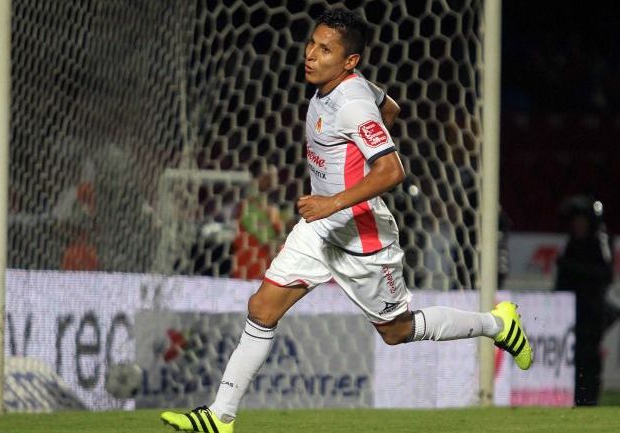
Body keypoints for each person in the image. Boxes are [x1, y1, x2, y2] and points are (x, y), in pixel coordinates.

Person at [161, 9, 532, 432]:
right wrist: (332, 198)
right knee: (262, 306)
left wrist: (334, 200)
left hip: (361, 236)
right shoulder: (345, 91)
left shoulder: (352, 104)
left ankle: (499, 324)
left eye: (326, 50)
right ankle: (219, 417)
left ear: (350, 61)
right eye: (312, 44)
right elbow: (389, 106)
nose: (311, 55)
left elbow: (392, 171)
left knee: (397, 331)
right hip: (321, 228)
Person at [554, 195, 614, 406]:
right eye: (575, 220)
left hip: (592, 312)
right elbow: (560, 283)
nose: (578, 225)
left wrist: (570, 266)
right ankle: (576, 398)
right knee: (575, 357)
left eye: (582, 220)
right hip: (572, 313)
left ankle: (590, 399)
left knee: (590, 357)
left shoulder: (599, 242)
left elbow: (606, 274)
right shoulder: (571, 244)